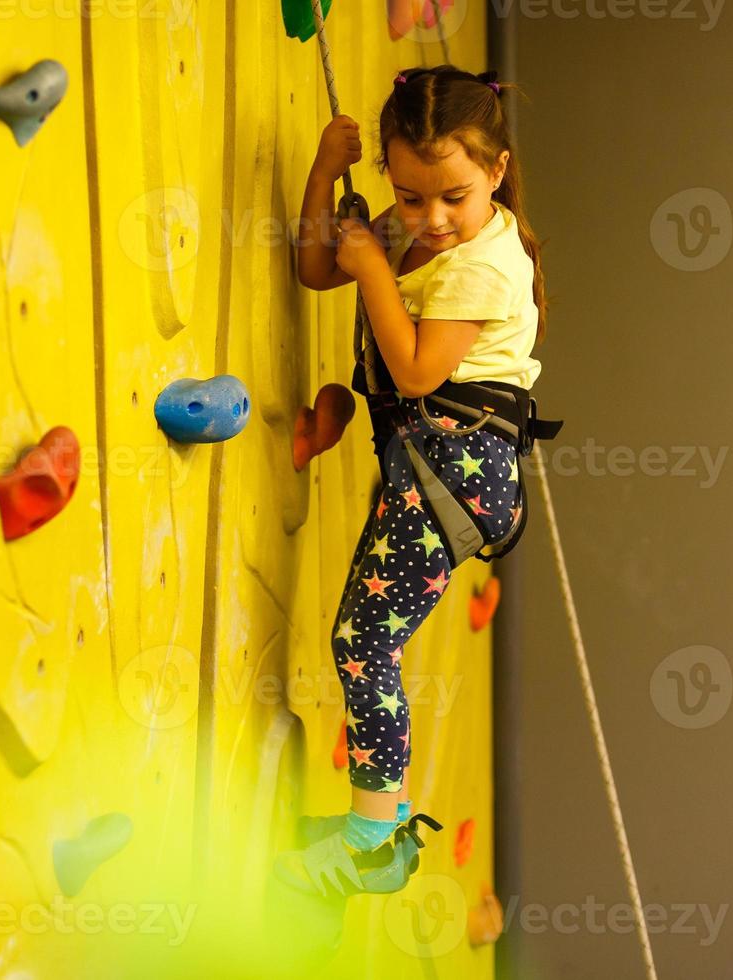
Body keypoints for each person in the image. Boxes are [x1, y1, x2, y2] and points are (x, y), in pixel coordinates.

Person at [274, 65, 550, 899]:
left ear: (496, 172)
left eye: (452, 198)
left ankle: (373, 841)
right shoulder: (422, 229)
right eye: (409, 194)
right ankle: (378, 825)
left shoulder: (484, 264)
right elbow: (322, 268)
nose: (429, 219)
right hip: (430, 469)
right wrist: (328, 171)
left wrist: (373, 272)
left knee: (365, 641)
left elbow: (419, 369)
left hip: (459, 476)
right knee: (364, 638)